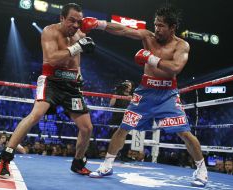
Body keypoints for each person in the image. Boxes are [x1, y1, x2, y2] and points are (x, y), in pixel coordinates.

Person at [81, 5, 208, 187]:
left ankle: (201, 169)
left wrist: (150, 58)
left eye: (162, 26)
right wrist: (98, 24)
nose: (157, 29)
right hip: (145, 92)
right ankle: (107, 165)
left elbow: (175, 68)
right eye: (156, 24)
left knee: (184, 133)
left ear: (172, 28)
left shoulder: (182, 45)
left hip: (167, 95)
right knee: (123, 127)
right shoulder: (149, 37)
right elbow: (124, 30)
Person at [0, 3, 95, 177]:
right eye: (72, 20)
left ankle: (78, 163)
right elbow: (52, 58)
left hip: (72, 86)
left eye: (79, 21)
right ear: (62, 18)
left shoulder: (79, 35)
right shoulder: (50, 31)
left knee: (87, 128)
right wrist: (78, 46)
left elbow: (76, 61)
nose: (76, 25)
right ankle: (5, 157)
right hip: (51, 81)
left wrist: (79, 75)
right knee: (36, 114)